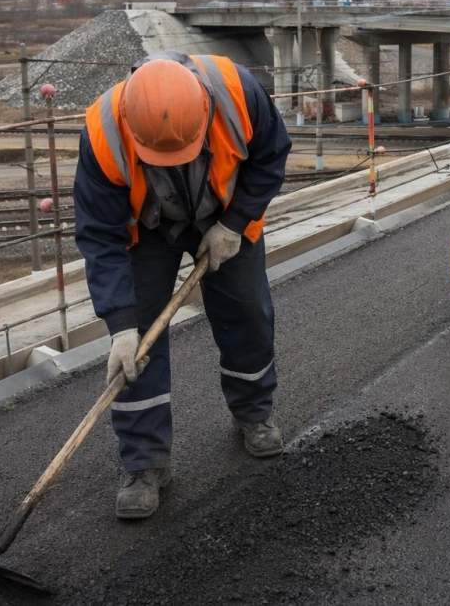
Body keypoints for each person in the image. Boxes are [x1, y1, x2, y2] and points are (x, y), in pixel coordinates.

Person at [74, 50, 291, 519]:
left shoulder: (239, 93)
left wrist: (234, 224)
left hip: (224, 211)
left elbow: (271, 156)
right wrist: (120, 322)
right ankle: (144, 462)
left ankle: (253, 412)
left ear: (207, 107)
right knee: (134, 351)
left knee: (248, 314)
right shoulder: (103, 132)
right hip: (147, 228)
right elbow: (99, 234)